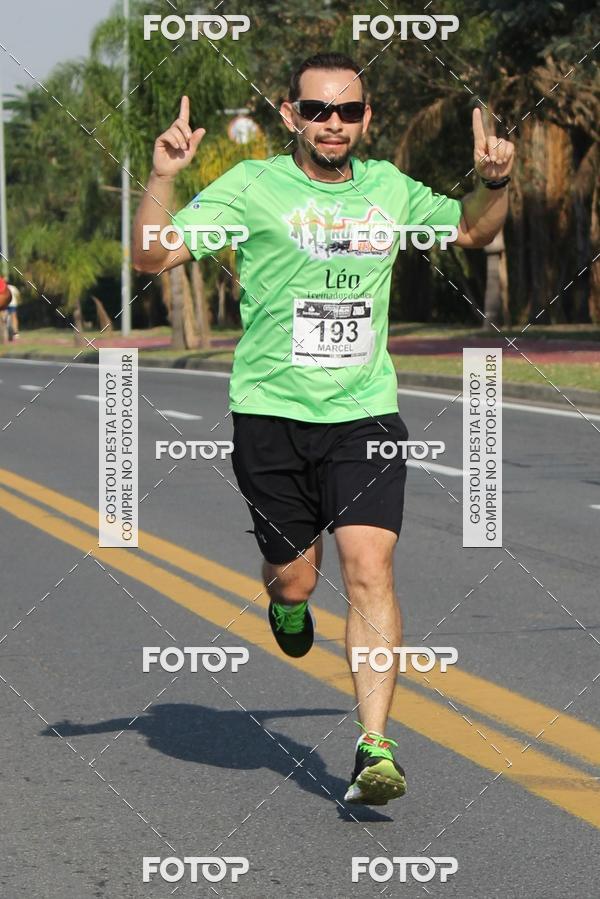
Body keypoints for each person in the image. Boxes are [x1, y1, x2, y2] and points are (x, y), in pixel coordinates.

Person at [132, 52, 514, 806]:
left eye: (346, 111)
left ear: (366, 118)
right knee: (298, 575)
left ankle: (375, 746)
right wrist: (163, 177)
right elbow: (150, 256)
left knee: (370, 568)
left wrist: (496, 183)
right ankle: (287, 601)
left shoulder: (389, 189)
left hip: (364, 414)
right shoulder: (251, 186)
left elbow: (473, 229)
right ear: (291, 115)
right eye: (316, 110)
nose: (332, 124)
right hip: (270, 416)